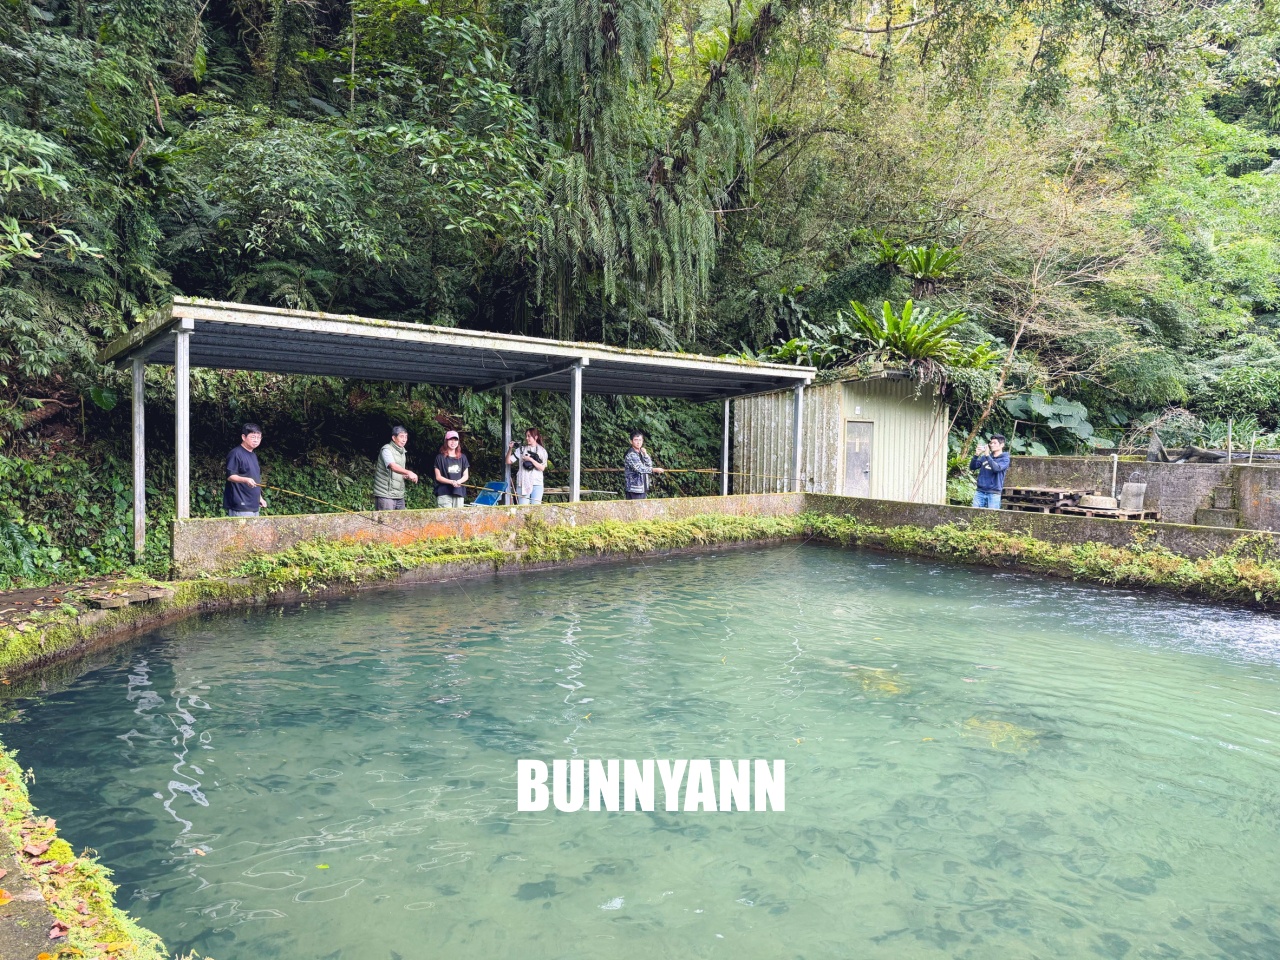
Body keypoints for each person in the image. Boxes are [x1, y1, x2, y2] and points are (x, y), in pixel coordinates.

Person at [224, 423, 267, 517]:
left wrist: (260, 498)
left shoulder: (253, 455)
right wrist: (245, 480)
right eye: (253, 437)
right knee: (242, 532)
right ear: (244, 437)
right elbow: (230, 476)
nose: (256, 440)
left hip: (254, 505)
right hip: (241, 505)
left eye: (258, 437)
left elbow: (254, 479)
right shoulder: (236, 453)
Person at [374, 425, 419, 510]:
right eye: (401, 436)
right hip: (386, 494)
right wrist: (408, 472)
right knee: (385, 522)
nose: (404, 439)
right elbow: (393, 466)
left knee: (401, 521)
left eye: (406, 437)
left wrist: (404, 476)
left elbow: (398, 471)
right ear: (394, 438)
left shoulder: (402, 452)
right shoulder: (387, 449)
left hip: (399, 495)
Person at [507, 428, 548, 505]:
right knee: (523, 508)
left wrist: (530, 460)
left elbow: (542, 468)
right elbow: (508, 461)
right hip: (523, 483)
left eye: (529, 436)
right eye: (526, 436)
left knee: (536, 508)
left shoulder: (542, 451)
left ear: (535, 437)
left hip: (537, 483)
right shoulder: (521, 449)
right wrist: (510, 449)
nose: (526, 438)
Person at [970, 434, 1011, 510]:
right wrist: (976, 455)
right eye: (991, 443)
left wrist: (987, 455)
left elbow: (996, 468)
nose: (992, 445)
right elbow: (972, 467)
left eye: (995, 443)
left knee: (992, 517)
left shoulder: (1005, 459)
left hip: (994, 493)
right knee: (974, 515)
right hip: (980, 491)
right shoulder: (985, 457)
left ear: (1002, 445)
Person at [623, 431, 664, 500]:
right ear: (631, 441)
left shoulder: (641, 453)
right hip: (634, 489)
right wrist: (654, 470)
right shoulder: (631, 454)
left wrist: (645, 454)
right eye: (636, 440)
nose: (638, 442)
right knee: (635, 510)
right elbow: (639, 469)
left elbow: (649, 465)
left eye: (640, 440)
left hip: (642, 488)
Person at [434, 430, 470, 508]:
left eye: (455, 440)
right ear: (446, 441)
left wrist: (459, 481)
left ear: (458, 442)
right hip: (444, 493)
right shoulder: (439, 458)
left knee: (458, 518)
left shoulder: (463, 457)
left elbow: (466, 475)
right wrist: (451, 482)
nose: (453, 442)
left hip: (459, 492)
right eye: (451, 440)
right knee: (445, 519)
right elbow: (438, 477)